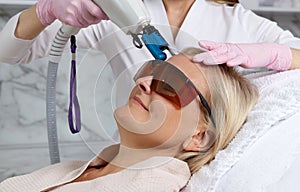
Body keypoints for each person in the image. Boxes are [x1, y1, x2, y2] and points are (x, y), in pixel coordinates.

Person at [0, 50, 259, 191]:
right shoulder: (77, 169)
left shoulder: (151, 187)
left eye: (171, 85)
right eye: (153, 71)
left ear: (199, 136)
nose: (144, 83)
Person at [0, 0, 299, 75]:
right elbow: (9, 53)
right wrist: (45, 10)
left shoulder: (241, 22)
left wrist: (277, 54)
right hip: (136, 158)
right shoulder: (116, 11)